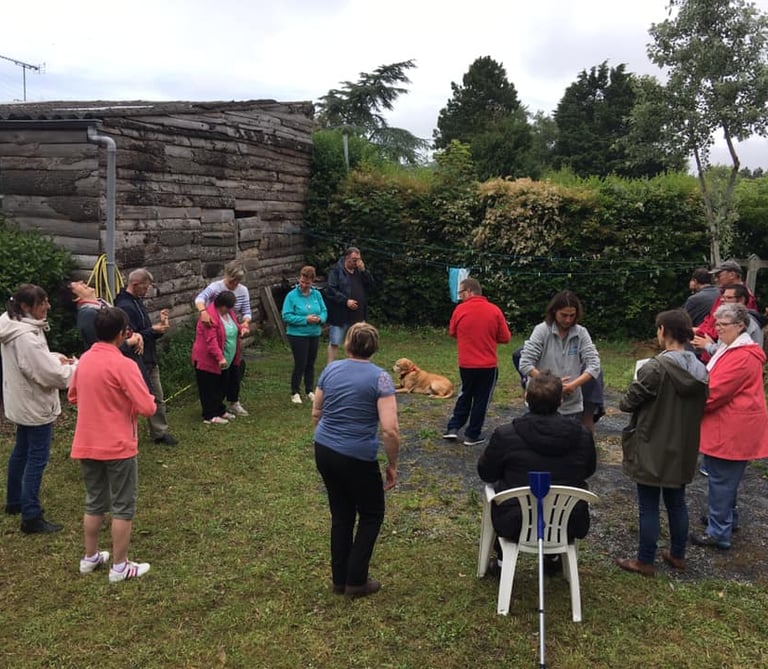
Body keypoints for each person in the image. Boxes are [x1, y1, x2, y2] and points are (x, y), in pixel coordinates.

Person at [615, 310, 708, 577]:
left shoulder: (654, 368)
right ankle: (677, 554)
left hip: (652, 442)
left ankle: (645, 560)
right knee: (677, 501)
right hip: (684, 444)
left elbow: (627, 402)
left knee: (648, 504)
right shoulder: (701, 369)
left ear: (663, 330)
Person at [68, 307, 157, 582]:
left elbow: (73, 396)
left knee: (94, 501)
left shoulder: (84, 360)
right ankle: (120, 566)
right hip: (118, 444)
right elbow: (147, 407)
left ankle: (90, 556)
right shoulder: (124, 364)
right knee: (122, 506)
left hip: (87, 442)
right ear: (122, 334)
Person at [312, 322, 400, 598]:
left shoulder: (330, 368)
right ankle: (355, 582)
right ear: (374, 348)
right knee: (372, 514)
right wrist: (392, 464)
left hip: (324, 448)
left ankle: (339, 580)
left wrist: (328, 439)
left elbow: (317, 411)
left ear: (348, 344)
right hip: (358, 456)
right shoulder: (381, 378)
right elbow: (389, 429)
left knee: (341, 515)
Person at [477, 371, 596, 575]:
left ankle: (502, 563)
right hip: (567, 522)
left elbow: (486, 473)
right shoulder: (583, 435)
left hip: (514, 520)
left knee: (501, 493)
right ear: (560, 401)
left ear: (526, 398)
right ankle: (554, 556)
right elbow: (588, 470)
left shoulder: (505, 434)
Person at [0, 284, 77, 533]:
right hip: (34, 404)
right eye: (42, 302)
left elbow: (34, 362)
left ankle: (14, 501)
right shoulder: (25, 337)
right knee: (37, 458)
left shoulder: (12, 323)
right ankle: (31, 516)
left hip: (21, 400)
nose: (48, 306)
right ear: (25, 306)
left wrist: (54, 357)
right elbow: (47, 374)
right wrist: (77, 368)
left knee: (21, 450)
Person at [692, 303, 768, 550]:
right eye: (717, 325)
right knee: (724, 477)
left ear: (740, 326)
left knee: (721, 479)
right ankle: (725, 518)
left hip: (732, 428)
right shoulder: (732, 348)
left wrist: (687, 406)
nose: (718, 330)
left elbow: (714, 393)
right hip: (731, 424)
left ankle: (718, 531)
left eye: (724, 325)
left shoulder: (742, 356)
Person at [443, 278, 511, 446]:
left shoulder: (460, 310)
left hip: (466, 364)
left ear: (469, 291)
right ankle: (472, 434)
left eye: (461, 293)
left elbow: (452, 332)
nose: (460, 297)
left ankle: (453, 427)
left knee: (465, 394)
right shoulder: (494, 311)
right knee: (482, 399)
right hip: (487, 365)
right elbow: (505, 337)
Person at [115, 268, 177, 445]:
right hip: (137, 360)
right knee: (149, 396)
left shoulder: (136, 301)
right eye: (145, 286)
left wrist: (159, 329)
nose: (147, 290)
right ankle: (132, 432)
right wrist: (152, 330)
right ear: (135, 284)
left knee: (156, 395)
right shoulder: (124, 306)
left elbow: (144, 332)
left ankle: (158, 432)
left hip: (148, 356)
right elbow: (130, 337)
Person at [519, 290, 601, 421]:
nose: (568, 320)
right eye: (564, 315)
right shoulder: (541, 330)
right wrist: (551, 385)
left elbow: (594, 365)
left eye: (572, 315)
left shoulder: (581, 333)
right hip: (541, 401)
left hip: (571, 405)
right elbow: (525, 364)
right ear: (554, 312)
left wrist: (573, 385)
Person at [193, 260, 251, 416]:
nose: (235, 284)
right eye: (233, 280)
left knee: (235, 371)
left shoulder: (242, 292)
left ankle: (232, 402)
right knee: (215, 376)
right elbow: (199, 300)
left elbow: (246, 311)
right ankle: (213, 409)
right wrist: (203, 312)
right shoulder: (215, 288)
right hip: (215, 330)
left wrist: (245, 324)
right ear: (227, 275)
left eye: (238, 281)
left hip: (231, 331)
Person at [191, 291, 242, 425]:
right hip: (207, 360)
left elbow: (233, 328)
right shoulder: (209, 317)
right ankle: (209, 415)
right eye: (229, 307)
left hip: (226, 358)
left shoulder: (229, 313)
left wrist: (241, 329)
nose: (231, 310)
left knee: (221, 385)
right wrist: (220, 357)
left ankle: (220, 410)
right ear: (223, 306)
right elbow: (211, 341)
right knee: (209, 387)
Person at [281, 266, 327, 404]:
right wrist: (305, 319)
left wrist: (320, 319)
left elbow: (324, 310)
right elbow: (286, 316)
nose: (304, 285)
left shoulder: (316, 295)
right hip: (297, 334)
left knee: (310, 363)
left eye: (307, 283)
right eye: (302, 281)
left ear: (312, 281)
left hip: (314, 332)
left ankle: (309, 390)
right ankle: (295, 392)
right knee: (300, 363)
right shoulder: (291, 296)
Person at [323, 247, 374, 364]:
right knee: (335, 341)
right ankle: (329, 365)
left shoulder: (360, 271)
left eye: (358, 259)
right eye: (354, 260)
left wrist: (364, 271)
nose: (357, 262)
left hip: (359, 314)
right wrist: (345, 301)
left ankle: (358, 364)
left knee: (360, 342)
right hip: (341, 314)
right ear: (347, 258)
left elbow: (371, 286)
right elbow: (331, 290)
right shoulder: (336, 271)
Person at [693, 283, 764, 353]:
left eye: (729, 297)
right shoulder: (739, 319)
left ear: (741, 300)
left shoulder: (746, 322)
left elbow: (729, 353)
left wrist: (707, 345)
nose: (722, 300)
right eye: (723, 297)